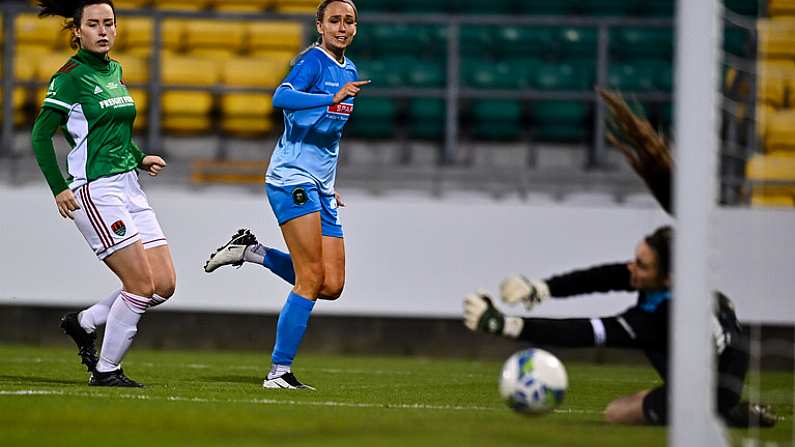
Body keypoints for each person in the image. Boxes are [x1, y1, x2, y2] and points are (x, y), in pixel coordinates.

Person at [203, 0, 369, 390]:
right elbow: (281, 97)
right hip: (290, 178)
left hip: (320, 186)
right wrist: (329, 97)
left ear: (356, 28)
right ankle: (279, 372)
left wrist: (329, 184)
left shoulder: (350, 70)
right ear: (320, 25)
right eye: (334, 21)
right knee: (311, 277)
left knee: (331, 285)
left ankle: (252, 251)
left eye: (349, 21)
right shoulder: (313, 61)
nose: (342, 27)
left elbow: (329, 135)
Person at [463, 226, 776, 427]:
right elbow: (599, 277)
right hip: (717, 358)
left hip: (712, 387)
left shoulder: (663, 317)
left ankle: (721, 411)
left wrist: (507, 325)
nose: (631, 267)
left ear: (667, 278)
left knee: (617, 413)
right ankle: (720, 407)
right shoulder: (665, 284)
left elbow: (587, 331)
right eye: (635, 258)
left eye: (641, 264)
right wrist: (540, 288)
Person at [31, 0, 176, 387]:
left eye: (108, 23)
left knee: (163, 285)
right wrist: (59, 187)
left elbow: (114, 134)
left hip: (129, 184)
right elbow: (41, 135)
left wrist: (141, 157)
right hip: (95, 191)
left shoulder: (115, 70)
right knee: (141, 287)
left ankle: (84, 323)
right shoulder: (70, 76)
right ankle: (107, 370)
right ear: (77, 31)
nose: (103, 31)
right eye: (93, 24)